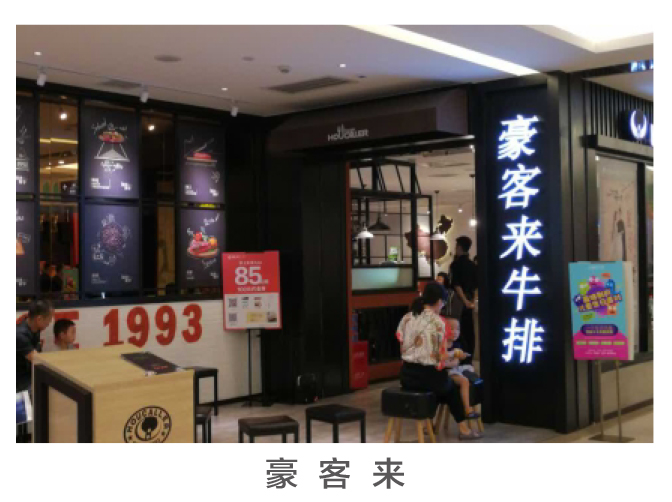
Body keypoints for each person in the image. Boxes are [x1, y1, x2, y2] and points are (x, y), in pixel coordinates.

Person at [396, 282, 481, 440]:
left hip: (406, 376)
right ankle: (463, 429)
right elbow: (440, 357)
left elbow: (402, 345)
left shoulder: (407, 317)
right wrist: (456, 354)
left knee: (443, 387)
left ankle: (428, 425)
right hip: (428, 376)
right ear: (439, 301)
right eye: (443, 303)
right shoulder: (439, 323)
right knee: (450, 389)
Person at [443, 316, 479, 419]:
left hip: (454, 369)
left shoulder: (457, 345)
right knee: (464, 381)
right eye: (451, 328)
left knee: (470, 374)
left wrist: (449, 360)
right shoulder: (441, 345)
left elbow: (455, 362)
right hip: (445, 372)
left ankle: (471, 399)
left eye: (457, 329)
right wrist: (449, 360)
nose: (455, 332)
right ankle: (467, 409)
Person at [449, 236, 477, 364]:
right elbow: (476, 286)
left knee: (458, 331)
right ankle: (469, 359)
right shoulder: (473, 265)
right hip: (470, 302)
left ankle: (460, 359)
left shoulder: (455, 265)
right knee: (469, 331)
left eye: (456, 246)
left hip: (458, 303)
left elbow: (456, 285)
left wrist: (464, 301)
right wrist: (472, 302)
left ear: (459, 247)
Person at [16, 300, 54, 392]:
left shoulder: (35, 327)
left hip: (30, 373)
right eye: (49, 319)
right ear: (39, 319)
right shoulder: (20, 335)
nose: (50, 322)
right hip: (20, 380)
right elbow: (37, 359)